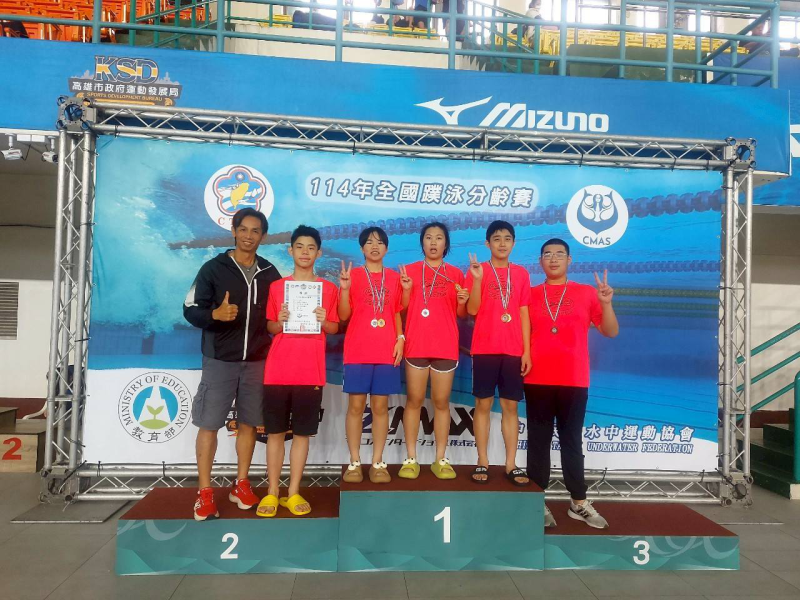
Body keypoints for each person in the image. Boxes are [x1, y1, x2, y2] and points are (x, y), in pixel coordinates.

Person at [183, 208, 282, 521]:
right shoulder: (213, 269)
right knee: (209, 424)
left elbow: (277, 314)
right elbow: (189, 308)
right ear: (234, 231)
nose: (249, 236)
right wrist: (214, 314)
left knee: (249, 423)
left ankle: (241, 484)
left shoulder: (270, 273)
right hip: (220, 360)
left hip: (256, 361)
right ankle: (205, 492)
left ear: (263, 236)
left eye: (255, 231)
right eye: (244, 229)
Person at [525, 238, 619, 529]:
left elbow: (610, 331)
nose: (553, 259)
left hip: (574, 379)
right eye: (547, 254)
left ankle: (578, 502)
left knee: (571, 442)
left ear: (569, 260)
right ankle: (536, 501)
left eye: (559, 254)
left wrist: (606, 304)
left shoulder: (587, 293)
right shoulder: (529, 294)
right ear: (540, 261)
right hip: (537, 378)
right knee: (538, 442)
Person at [257, 225, 339, 517]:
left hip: (310, 371)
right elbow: (270, 326)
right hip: (278, 370)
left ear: (319, 253)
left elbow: (334, 328)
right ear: (290, 251)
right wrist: (279, 321)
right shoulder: (277, 287)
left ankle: (293, 492)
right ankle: (272, 491)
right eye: (300, 247)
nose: (305, 252)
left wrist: (324, 320)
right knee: (275, 434)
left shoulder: (328, 289)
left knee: (302, 434)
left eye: (311, 247)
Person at [398, 222, 468, 480]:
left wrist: (462, 302)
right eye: (428, 237)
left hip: (445, 346)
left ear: (446, 244)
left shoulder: (456, 274)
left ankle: (441, 458)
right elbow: (401, 309)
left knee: (441, 403)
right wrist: (406, 291)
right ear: (422, 243)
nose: (434, 242)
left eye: (439, 238)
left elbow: (461, 314)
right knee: (414, 400)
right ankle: (410, 458)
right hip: (416, 344)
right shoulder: (409, 271)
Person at [466, 220, 532, 486]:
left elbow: (524, 313)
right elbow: (472, 310)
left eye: (507, 238)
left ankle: (511, 464)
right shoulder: (477, 270)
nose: (502, 243)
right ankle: (482, 460)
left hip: (513, 350)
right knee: (482, 405)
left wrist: (527, 351)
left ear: (514, 243)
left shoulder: (521, 274)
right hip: (485, 349)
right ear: (487, 243)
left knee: (510, 407)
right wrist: (477, 281)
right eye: (496, 238)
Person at [339, 227, 406, 484]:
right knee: (356, 407)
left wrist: (400, 339)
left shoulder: (394, 277)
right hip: (357, 349)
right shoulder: (353, 275)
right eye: (369, 242)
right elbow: (343, 315)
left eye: (379, 242)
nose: (374, 246)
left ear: (386, 248)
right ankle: (355, 462)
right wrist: (345, 289)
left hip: (386, 350)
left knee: (380, 407)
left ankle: (378, 461)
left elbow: (396, 311)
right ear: (361, 248)